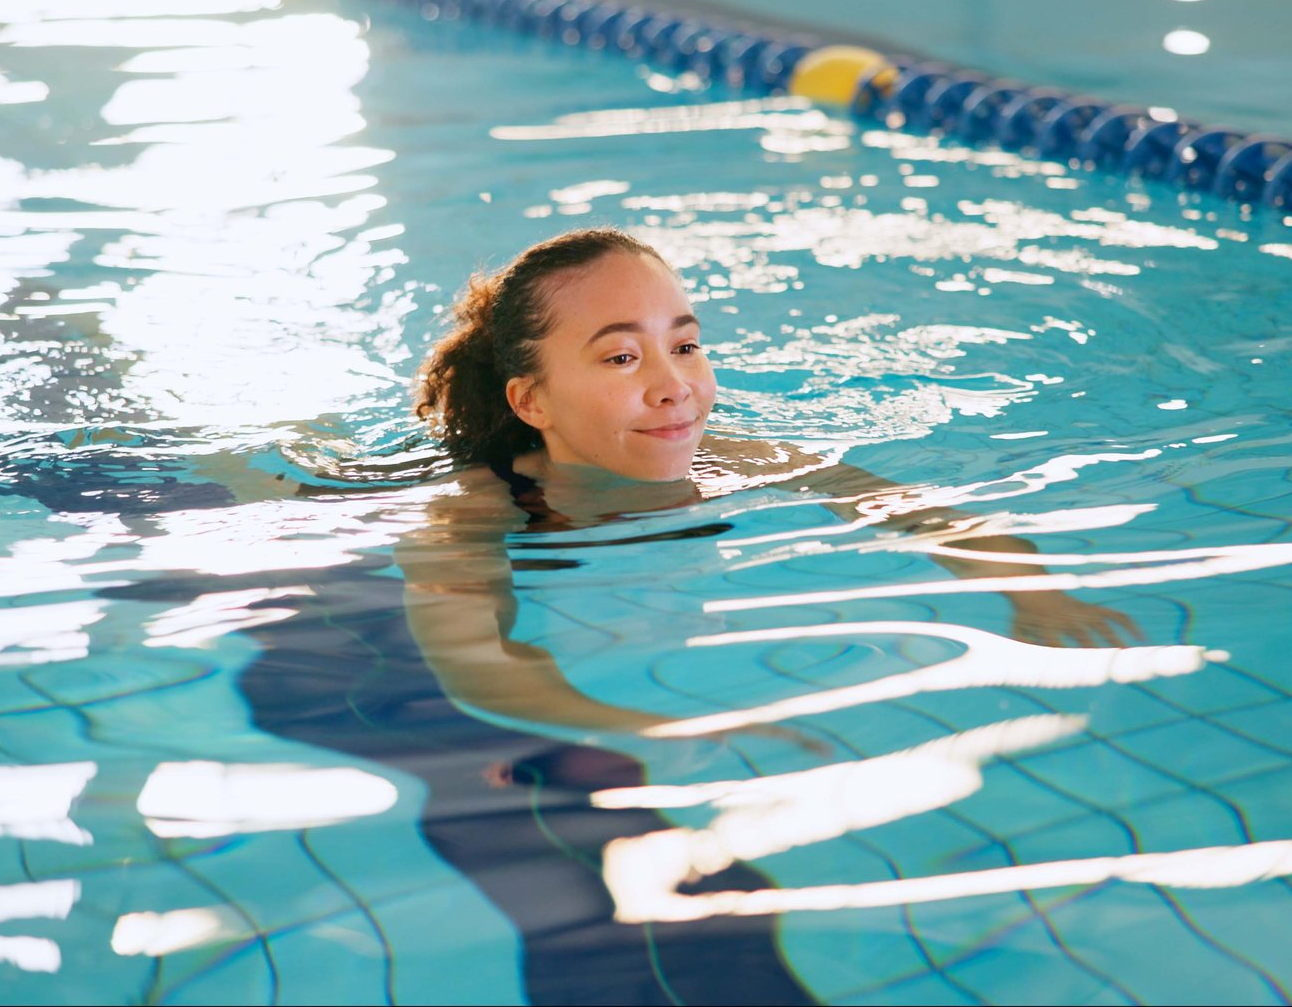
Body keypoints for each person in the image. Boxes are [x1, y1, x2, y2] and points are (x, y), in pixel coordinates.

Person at [399, 226, 1141, 739]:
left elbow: (920, 513)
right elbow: (477, 667)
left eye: (685, 346)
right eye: (622, 358)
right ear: (531, 401)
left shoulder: (744, 460)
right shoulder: (474, 515)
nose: (674, 387)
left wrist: (1036, 594)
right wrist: (655, 729)